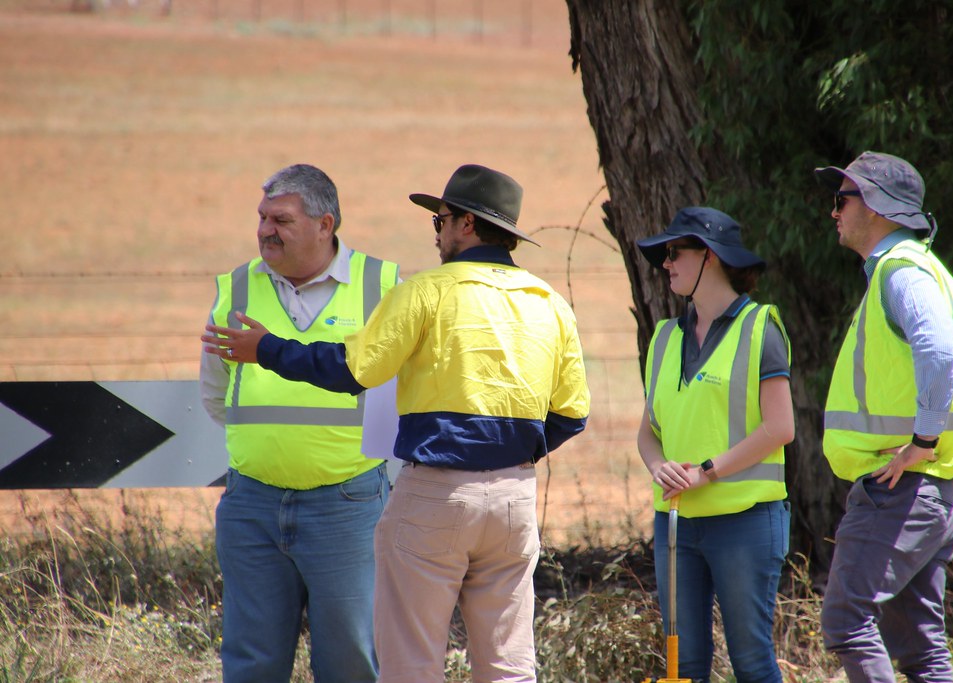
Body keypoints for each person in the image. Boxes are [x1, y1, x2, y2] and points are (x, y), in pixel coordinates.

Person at [201, 163, 591, 683]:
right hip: (515, 498)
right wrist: (507, 453)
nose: (437, 233)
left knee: (410, 660)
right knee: (509, 666)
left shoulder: (424, 292)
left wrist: (267, 349)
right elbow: (572, 414)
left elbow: (351, 371)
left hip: (436, 495)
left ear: (467, 225)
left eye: (441, 220)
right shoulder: (551, 305)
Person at [199, 163, 399, 683]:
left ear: (324, 224)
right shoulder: (236, 288)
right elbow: (218, 397)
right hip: (252, 506)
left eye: (281, 219)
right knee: (251, 662)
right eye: (262, 217)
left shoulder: (384, 286)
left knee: (351, 661)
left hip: (348, 506)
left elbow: (403, 398)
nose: (266, 229)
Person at [813, 151, 953, 682]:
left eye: (842, 199)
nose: (833, 211)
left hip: (901, 487)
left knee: (845, 621)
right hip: (930, 488)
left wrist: (922, 440)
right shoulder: (916, 268)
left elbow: (935, 347)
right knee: (922, 651)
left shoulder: (900, 269)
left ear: (878, 207)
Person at [635, 207, 795, 683]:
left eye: (674, 252)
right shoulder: (663, 337)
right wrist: (658, 466)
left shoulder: (760, 328)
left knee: (751, 664)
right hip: (677, 525)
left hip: (745, 523)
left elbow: (780, 427)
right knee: (681, 668)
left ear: (708, 257)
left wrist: (705, 472)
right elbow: (648, 432)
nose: (666, 263)